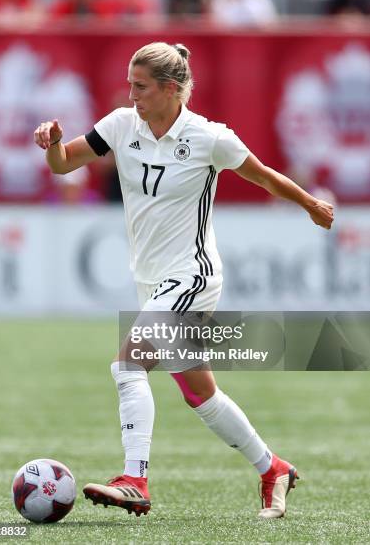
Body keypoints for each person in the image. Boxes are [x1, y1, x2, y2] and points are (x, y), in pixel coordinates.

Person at [34, 42, 334, 519]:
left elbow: (265, 177)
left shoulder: (209, 137)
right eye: (131, 84)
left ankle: (135, 478)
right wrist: (51, 143)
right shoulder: (118, 125)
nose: (132, 95)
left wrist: (311, 205)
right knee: (200, 393)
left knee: (127, 366)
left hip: (192, 276)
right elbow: (63, 164)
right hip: (152, 281)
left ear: (172, 90)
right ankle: (272, 467)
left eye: (141, 87)